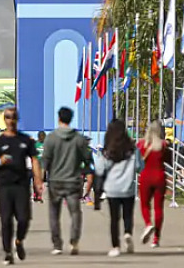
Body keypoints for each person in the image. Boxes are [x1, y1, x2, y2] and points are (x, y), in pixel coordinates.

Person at [0, 107, 44, 265]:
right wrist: (0, 161)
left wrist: (38, 180)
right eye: (8, 117)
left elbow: (34, 160)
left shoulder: (25, 140)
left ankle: (19, 241)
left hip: (21, 185)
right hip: (4, 186)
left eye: (13, 117)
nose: (10, 120)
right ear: (4, 119)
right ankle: (8, 252)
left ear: (17, 119)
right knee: (6, 220)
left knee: (23, 219)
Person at [42, 107, 91, 256]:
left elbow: (45, 161)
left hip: (55, 181)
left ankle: (57, 244)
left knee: (54, 213)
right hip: (73, 181)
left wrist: (41, 181)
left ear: (59, 118)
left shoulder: (51, 138)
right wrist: (88, 176)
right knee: (75, 212)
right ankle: (74, 240)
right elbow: (88, 160)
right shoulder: (79, 139)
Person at [97, 119, 140, 256]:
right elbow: (139, 166)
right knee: (128, 215)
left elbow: (100, 169)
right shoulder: (132, 149)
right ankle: (128, 233)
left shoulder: (108, 151)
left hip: (112, 188)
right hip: (128, 188)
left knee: (114, 218)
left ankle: (115, 246)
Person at [138, 120, 172, 248]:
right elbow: (169, 160)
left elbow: (138, 161)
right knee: (158, 207)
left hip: (146, 176)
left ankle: (148, 223)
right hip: (160, 176)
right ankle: (156, 239)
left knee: (144, 204)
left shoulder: (142, 144)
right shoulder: (163, 145)